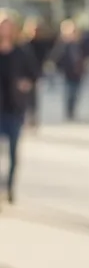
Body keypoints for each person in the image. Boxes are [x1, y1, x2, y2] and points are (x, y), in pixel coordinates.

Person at [0, 11, 37, 205]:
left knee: (13, 153)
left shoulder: (22, 52)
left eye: (8, 26)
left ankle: (9, 187)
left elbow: (34, 75)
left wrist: (26, 84)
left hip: (15, 109)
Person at [20, 17, 53, 129]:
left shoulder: (42, 43)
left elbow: (44, 58)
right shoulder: (24, 44)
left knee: (34, 98)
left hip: (35, 74)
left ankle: (33, 118)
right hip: (24, 75)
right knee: (24, 98)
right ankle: (25, 118)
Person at [49, 20, 84, 121]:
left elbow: (85, 54)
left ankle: (72, 109)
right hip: (68, 72)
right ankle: (69, 110)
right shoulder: (62, 43)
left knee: (76, 92)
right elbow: (56, 56)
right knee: (69, 91)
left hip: (78, 72)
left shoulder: (79, 43)